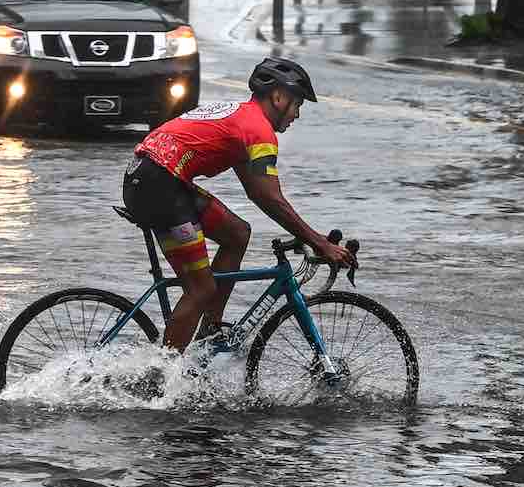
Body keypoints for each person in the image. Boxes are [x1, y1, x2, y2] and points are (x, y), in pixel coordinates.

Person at [122, 57, 355, 353]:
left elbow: (259, 193)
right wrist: (319, 242)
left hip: (156, 178)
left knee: (237, 233)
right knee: (201, 288)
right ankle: (163, 376)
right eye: (297, 103)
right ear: (278, 96)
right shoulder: (258, 131)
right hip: (158, 185)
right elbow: (270, 198)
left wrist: (307, 236)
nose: (297, 114)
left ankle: (209, 333)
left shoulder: (244, 120)